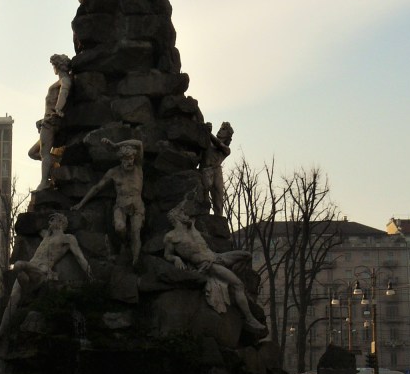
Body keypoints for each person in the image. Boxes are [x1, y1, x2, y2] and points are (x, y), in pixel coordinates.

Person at [163, 203, 266, 331]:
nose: (186, 215)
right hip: (208, 265)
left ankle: (233, 275)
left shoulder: (192, 229)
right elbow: (167, 255)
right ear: (177, 217)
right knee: (238, 284)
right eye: (183, 213)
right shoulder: (171, 237)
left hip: (217, 257)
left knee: (247, 255)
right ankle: (250, 319)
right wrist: (176, 258)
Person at [0, 213, 91, 342]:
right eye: (49, 220)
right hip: (29, 271)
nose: (49, 223)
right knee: (12, 300)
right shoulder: (45, 236)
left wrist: (90, 276)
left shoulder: (68, 238)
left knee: (18, 265)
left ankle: (28, 289)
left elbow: (80, 257)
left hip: (41, 272)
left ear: (61, 222)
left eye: (52, 220)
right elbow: (33, 226)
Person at [72, 138, 145, 264]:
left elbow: (139, 144)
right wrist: (80, 204)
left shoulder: (138, 167)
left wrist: (116, 144)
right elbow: (97, 188)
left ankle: (136, 261)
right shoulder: (114, 172)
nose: (129, 162)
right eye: (126, 159)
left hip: (137, 205)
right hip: (120, 206)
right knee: (119, 228)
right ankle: (125, 242)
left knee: (136, 232)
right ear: (121, 159)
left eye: (131, 158)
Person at [28, 54, 72, 190]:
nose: (53, 67)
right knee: (32, 153)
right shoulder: (61, 81)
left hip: (51, 121)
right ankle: (57, 164)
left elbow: (63, 93)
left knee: (44, 153)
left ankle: (44, 182)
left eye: (54, 65)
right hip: (47, 120)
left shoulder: (64, 80)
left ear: (58, 66)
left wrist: (58, 109)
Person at [200, 122, 234, 216]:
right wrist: (206, 129)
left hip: (217, 171)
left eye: (223, 129)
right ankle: (204, 217)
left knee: (218, 199)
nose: (220, 130)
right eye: (220, 128)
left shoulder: (226, 149)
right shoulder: (207, 141)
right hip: (205, 170)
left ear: (228, 135)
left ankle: (218, 220)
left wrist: (208, 133)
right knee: (204, 197)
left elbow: (219, 144)